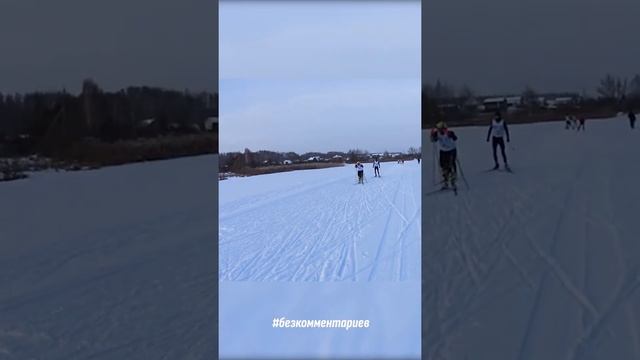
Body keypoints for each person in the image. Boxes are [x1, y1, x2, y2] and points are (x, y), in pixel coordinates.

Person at [430, 121, 458, 189]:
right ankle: (445, 180)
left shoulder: (449, 132)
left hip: (451, 150)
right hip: (443, 151)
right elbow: (433, 140)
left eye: (443, 129)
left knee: (450, 165)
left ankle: (453, 180)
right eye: (439, 129)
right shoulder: (437, 133)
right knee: (443, 165)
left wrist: (450, 135)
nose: (441, 130)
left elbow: (455, 138)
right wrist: (432, 135)